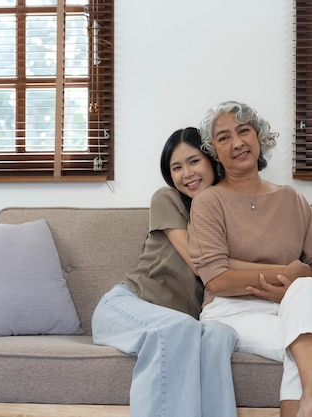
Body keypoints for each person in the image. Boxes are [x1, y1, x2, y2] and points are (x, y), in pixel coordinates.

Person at [187, 101, 312, 417]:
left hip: (289, 307)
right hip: (230, 312)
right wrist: (289, 274)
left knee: (311, 289)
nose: (237, 142)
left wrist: (295, 288)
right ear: (214, 150)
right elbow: (217, 278)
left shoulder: (291, 198)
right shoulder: (208, 202)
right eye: (223, 137)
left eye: (244, 131)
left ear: (260, 138)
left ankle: (311, 402)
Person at [91, 127, 239, 417]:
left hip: (179, 321)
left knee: (220, 333)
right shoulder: (167, 199)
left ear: (211, 161)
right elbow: (201, 264)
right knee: (178, 328)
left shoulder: (229, 216)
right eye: (177, 167)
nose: (187, 174)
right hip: (126, 306)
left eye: (194, 161)